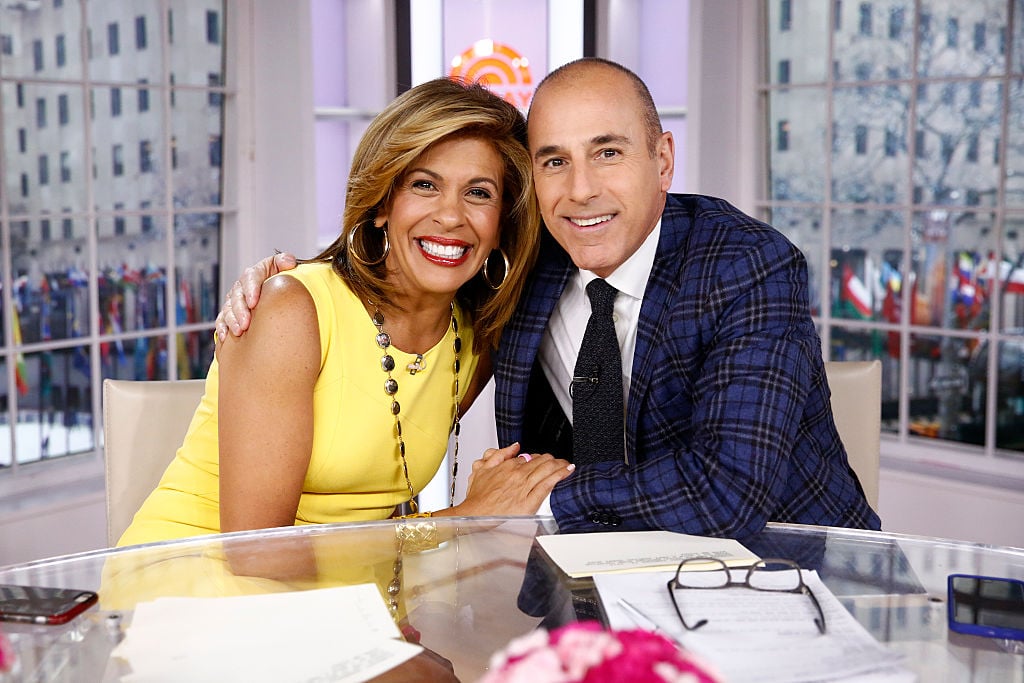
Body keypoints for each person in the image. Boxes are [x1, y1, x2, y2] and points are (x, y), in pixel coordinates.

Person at [218, 59, 881, 540]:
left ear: (663, 159)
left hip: (787, 575)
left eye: (608, 152)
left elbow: (726, 490)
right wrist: (280, 286)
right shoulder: (524, 267)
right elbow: (395, 294)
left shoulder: (748, 265)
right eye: (555, 160)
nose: (580, 190)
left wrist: (527, 500)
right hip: (589, 585)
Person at [118, 77, 573, 547]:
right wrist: (466, 517)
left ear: (502, 225)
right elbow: (257, 553)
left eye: (478, 193)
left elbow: (379, 501)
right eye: (424, 185)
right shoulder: (292, 312)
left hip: (342, 582)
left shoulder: (475, 340)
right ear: (381, 204)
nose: (451, 216)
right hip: (198, 572)